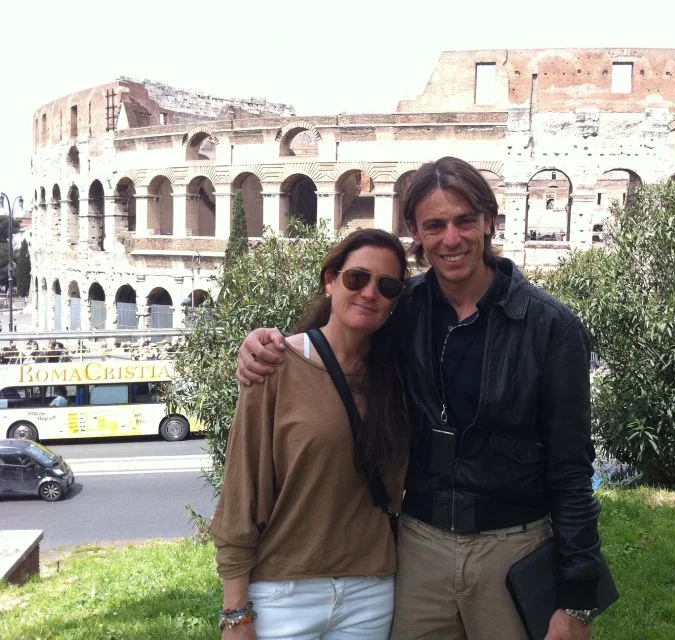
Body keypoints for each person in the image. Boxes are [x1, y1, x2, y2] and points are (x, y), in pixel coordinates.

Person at [237, 157, 606, 640]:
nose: (451, 239)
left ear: (489, 221)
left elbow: (571, 467)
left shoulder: (550, 326)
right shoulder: (399, 307)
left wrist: (577, 597)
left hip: (512, 545)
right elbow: (334, 351)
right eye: (435, 225)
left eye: (464, 221)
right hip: (420, 545)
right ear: (415, 231)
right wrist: (265, 344)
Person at [213, 228, 410, 639]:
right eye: (357, 278)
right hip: (284, 593)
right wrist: (235, 611)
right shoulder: (275, 365)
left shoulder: (400, 376)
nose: (370, 293)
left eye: (387, 286)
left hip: (370, 592)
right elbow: (241, 491)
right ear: (331, 280)